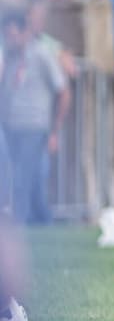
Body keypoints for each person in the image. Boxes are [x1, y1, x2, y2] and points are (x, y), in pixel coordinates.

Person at [0, 13, 70, 225]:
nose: (10, 40)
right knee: (30, 180)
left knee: (22, 176)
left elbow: (63, 91)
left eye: (13, 35)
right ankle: (43, 222)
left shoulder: (41, 55)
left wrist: (55, 131)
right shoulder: (10, 57)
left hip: (35, 126)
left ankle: (17, 226)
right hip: (12, 127)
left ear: (24, 32)